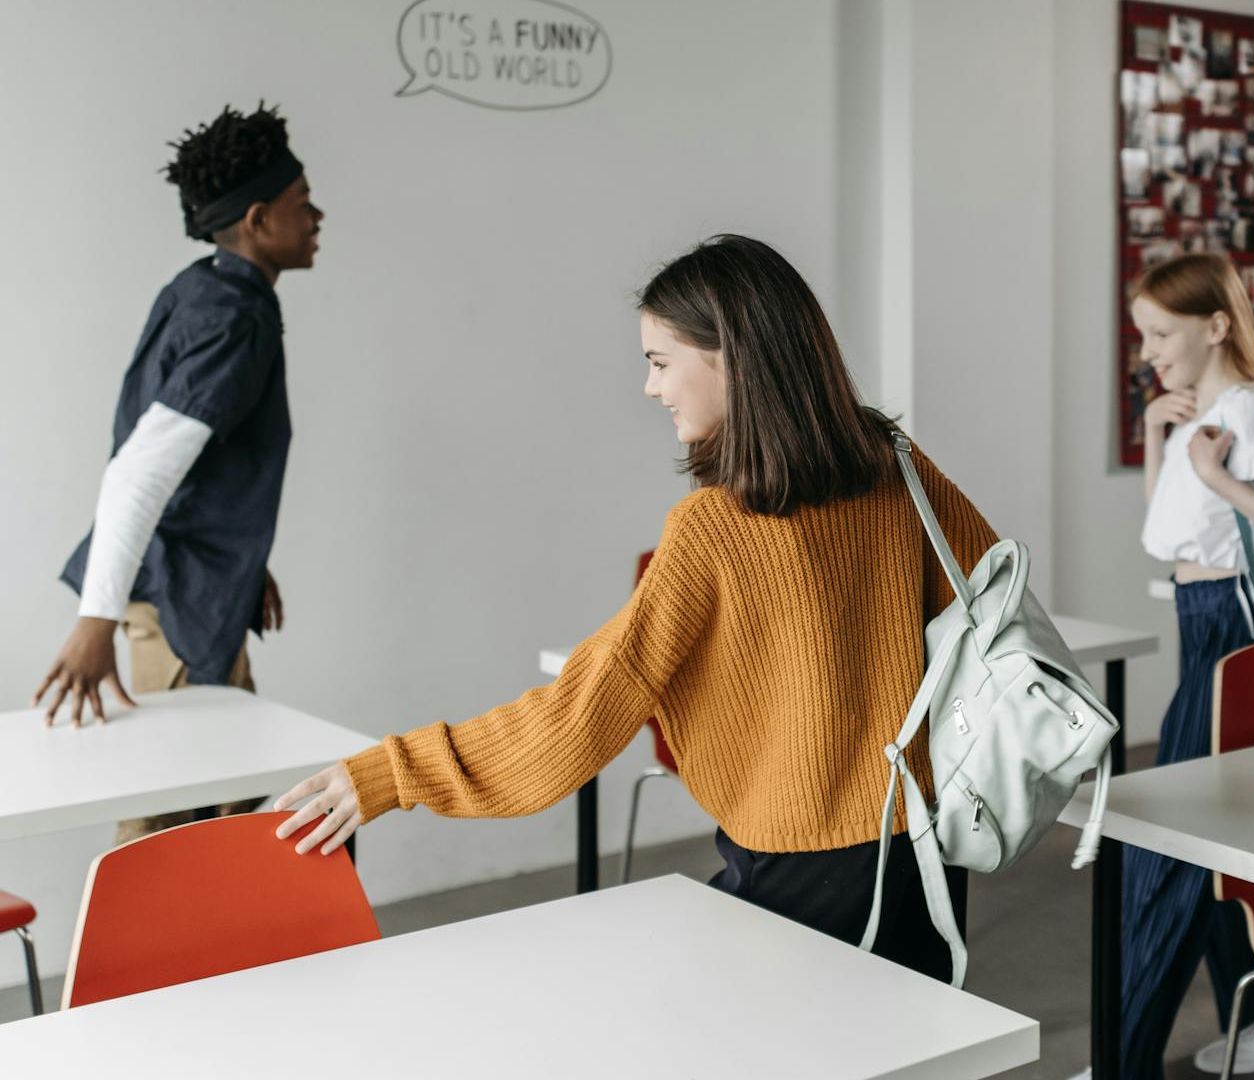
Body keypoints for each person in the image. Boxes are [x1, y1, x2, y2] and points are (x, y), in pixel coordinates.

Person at [271, 234, 996, 984]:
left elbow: (578, 717)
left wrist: (394, 772)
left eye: (659, 362)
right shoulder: (896, 466)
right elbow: (992, 601)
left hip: (800, 863)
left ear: (734, 360)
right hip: (924, 845)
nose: (651, 388)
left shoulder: (712, 528)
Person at [32, 104, 322, 844]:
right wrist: (94, 623)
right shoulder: (236, 319)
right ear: (259, 219)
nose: (318, 214)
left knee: (219, 812)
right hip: (177, 606)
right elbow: (138, 472)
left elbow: (195, 463)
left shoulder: (203, 289)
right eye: (301, 202)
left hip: (194, 589)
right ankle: (145, 962)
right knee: (173, 828)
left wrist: (243, 556)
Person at [1103, 253, 1254, 1079]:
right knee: (1218, 849)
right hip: (1207, 624)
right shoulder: (1209, 411)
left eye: (1161, 333)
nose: (1148, 351)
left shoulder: (1249, 412)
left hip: (1234, 629)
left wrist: (1209, 471)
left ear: (1215, 325)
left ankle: (1123, 1059)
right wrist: (1161, 436)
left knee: (1165, 852)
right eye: (1143, 336)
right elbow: (1169, 536)